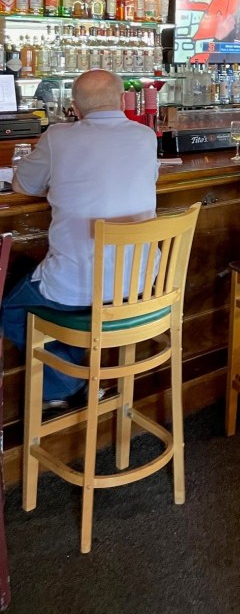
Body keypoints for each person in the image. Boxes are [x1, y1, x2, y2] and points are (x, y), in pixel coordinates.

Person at [2, 70, 158, 409]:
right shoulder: (146, 137)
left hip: (77, 289)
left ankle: (65, 383)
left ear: (74, 107)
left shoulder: (58, 138)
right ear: (121, 101)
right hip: (141, 286)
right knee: (61, 296)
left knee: (11, 309)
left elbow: (22, 186)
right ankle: (89, 381)